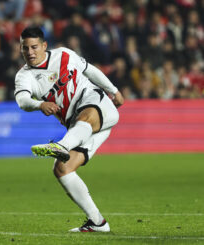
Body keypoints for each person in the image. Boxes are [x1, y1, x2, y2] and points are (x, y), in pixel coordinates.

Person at [14, 26, 124, 232]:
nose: (30, 52)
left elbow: (89, 70)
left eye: (34, 47)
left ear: (44, 46)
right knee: (62, 169)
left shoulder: (64, 54)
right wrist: (39, 104)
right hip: (81, 129)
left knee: (86, 113)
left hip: (97, 105)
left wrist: (114, 90)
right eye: (25, 48)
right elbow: (22, 100)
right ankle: (97, 222)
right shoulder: (24, 76)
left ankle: (60, 145)